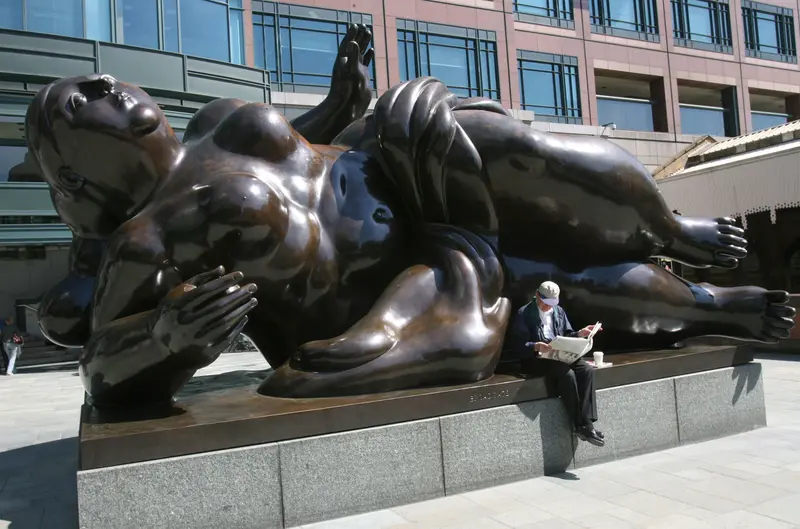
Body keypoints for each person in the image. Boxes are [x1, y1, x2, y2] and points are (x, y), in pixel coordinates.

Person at [27, 65, 794, 404]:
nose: (105, 87)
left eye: (93, 83)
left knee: (519, 149)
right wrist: (164, 334)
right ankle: (712, 305)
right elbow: (101, 370)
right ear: (75, 176)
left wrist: (337, 103)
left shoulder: (212, 124)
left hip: (387, 162)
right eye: (77, 103)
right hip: (389, 288)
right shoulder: (145, 240)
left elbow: (297, 145)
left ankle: (671, 226)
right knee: (552, 276)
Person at [511, 282, 605, 447]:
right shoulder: (524, 313)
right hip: (537, 358)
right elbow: (517, 345)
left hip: (558, 354)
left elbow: (567, 334)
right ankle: (583, 426)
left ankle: (586, 423)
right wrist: (535, 346)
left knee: (586, 370)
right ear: (537, 295)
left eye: (552, 304)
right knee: (566, 374)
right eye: (545, 303)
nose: (548, 307)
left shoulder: (558, 311)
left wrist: (580, 333)